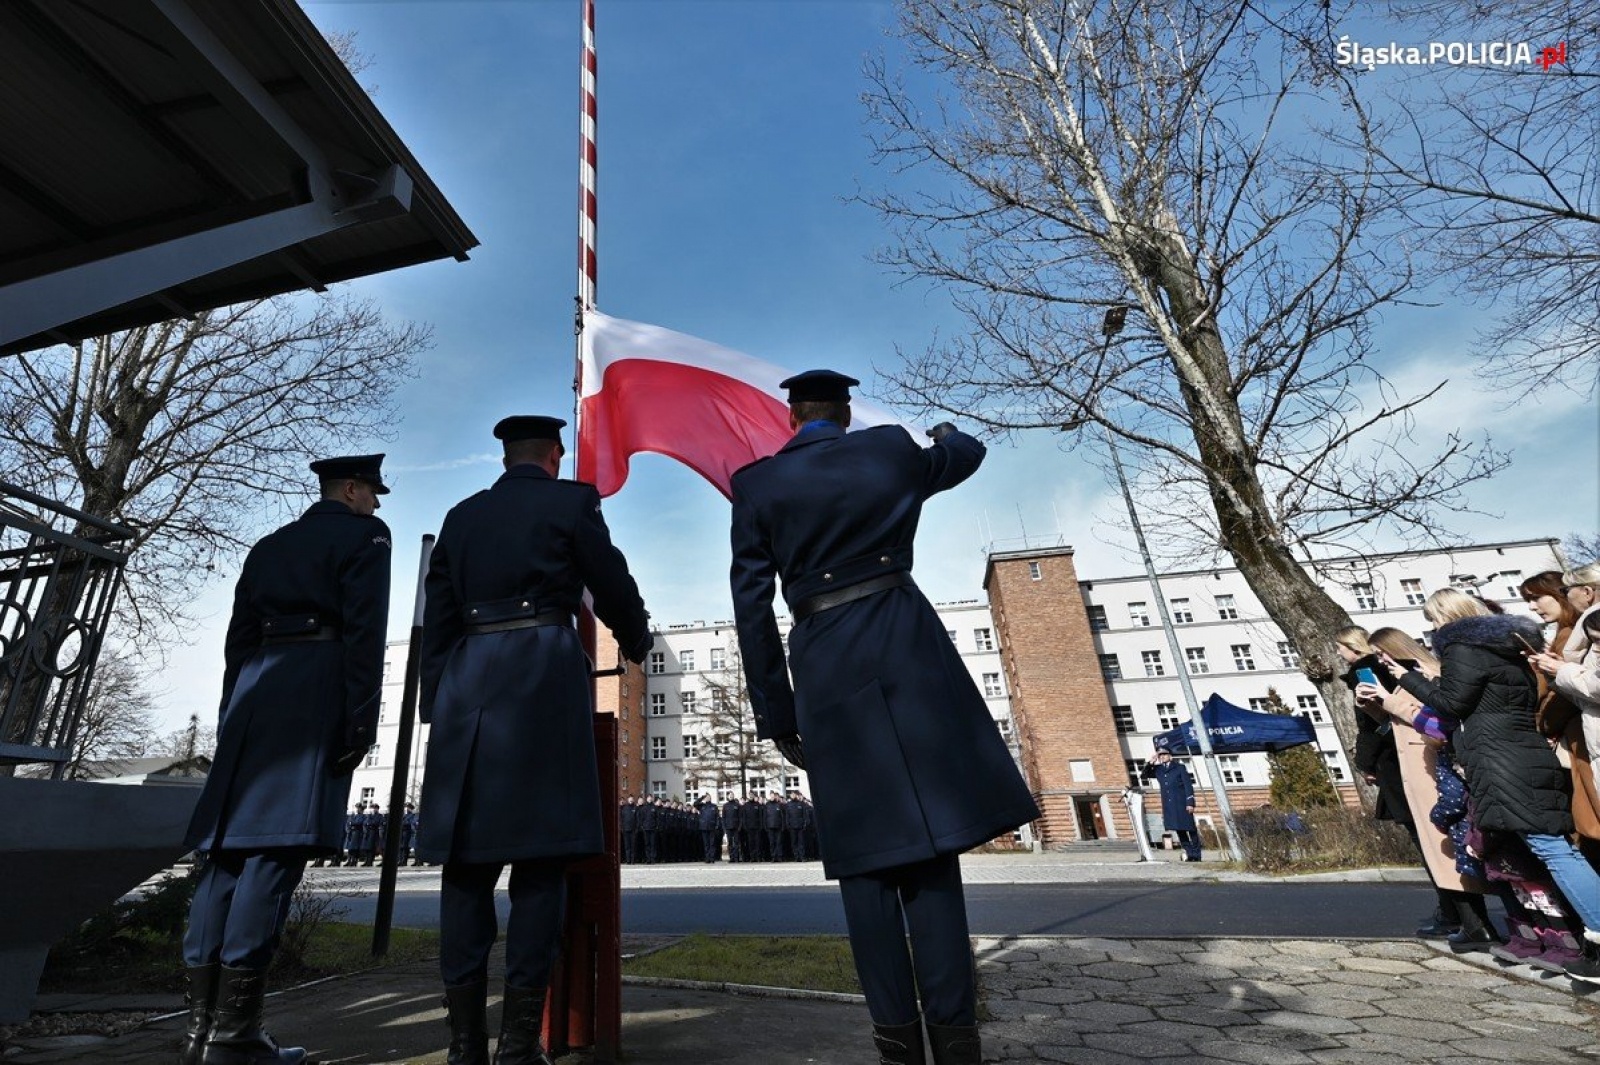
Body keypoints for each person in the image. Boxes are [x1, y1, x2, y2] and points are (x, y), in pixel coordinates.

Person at [729, 370, 1039, 1065]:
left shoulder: (756, 485)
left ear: (792, 418)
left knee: (866, 863)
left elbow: (752, 607)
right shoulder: (892, 450)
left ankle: (897, 1047)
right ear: (843, 411)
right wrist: (944, 433)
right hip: (906, 649)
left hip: (826, 661)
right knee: (931, 853)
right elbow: (967, 455)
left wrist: (776, 709)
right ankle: (958, 1045)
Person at [417, 415, 652, 1064]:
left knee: (466, 871)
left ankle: (464, 1047)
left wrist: (437, 705)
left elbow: (436, 624)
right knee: (541, 868)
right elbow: (610, 583)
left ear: (504, 457)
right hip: (544, 682)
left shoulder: (461, 517)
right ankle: (517, 1049)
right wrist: (637, 640)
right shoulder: (572, 501)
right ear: (553, 454)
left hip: (470, 689)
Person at [179, 454, 392, 1065]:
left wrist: (231, 715)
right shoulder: (365, 536)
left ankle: (198, 1032)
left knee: (224, 855)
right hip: (313, 689)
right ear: (351, 490)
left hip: (254, 693)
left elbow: (237, 638)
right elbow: (364, 631)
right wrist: (359, 721)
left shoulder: (270, 544)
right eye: (373, 493)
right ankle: (235, 1036)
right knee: (275, 852)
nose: (377, 504)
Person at [1387, 586, 1600, 986]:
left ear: (1446, 616)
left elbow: (1452, 705)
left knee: (1550, 849)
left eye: (1433, 619)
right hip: (1520, 752)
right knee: (1551, 847)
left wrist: (1408, 679)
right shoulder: (1505, 647)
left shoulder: (1462, 649)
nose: (1432, 627)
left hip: (1501, 761)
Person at [1357, 627, 1496, 951]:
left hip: (1435, 771)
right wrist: (1372, 706)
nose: (1379, 662)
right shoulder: (1404, 679)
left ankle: (1478, 926)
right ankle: (1472, 924)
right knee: (1441, 851)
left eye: (1381, 654)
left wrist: (1389, 701)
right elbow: (1395, 721)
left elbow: (1434, 719)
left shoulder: (1427, 675)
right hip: (1417, 772)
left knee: (1450, 847)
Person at [1141, 742, 1201, 862]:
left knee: (1190, 828)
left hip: (1182, 803)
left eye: (1164, 754)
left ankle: (1197, 854)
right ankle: (1190, 853)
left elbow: (1188, 785)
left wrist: (1190, 802)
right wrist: (1150, 762)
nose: (1162, 757)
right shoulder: (1158, 769)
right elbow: (1144, 775)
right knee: (1179, 829)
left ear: (1170, 756)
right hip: (1169, 805)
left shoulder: (1179, 767)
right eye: (1160, 755)